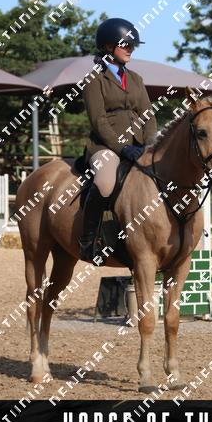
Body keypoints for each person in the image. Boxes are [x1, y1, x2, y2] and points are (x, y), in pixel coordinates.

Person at [79, 18, 157, 263]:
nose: (130, 49)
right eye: (125, 45)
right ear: (108, 46)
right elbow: (99, 121)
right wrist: (122, 148)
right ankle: (88, 241)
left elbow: (148, 115)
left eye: (133, 45)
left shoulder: (136, 79)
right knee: (105, 182)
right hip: (105, 147)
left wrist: (151, 145)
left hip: (138, 146)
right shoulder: (94, 80)